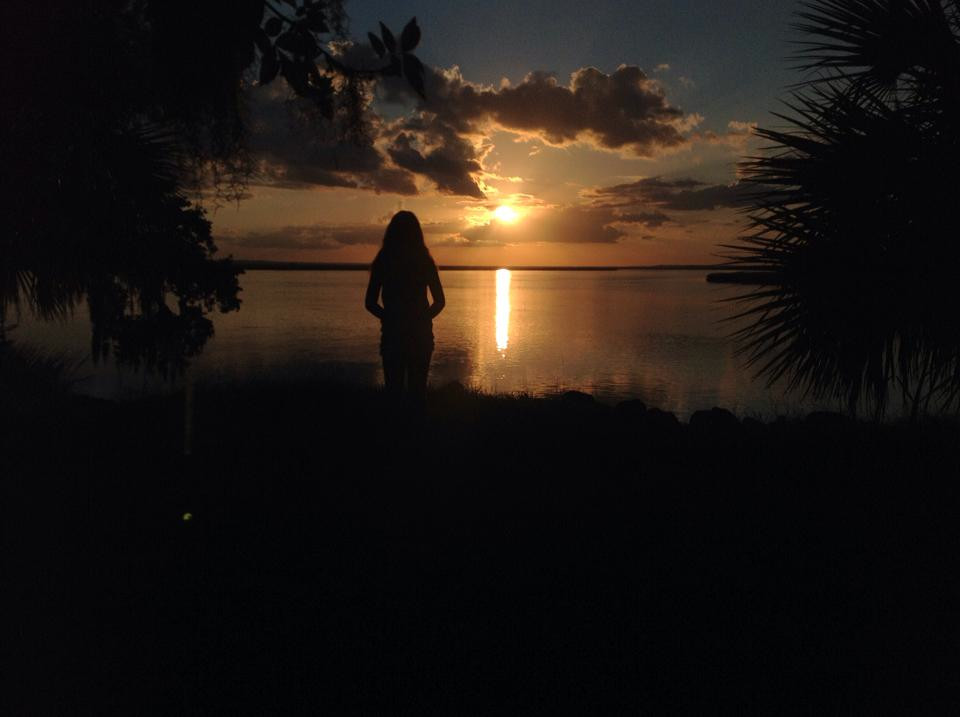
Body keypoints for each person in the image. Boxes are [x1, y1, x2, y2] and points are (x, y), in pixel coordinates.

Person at [364, 211, 445, 408]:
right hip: (419, 334)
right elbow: (440, 301)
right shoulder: (424, 260)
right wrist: (424, 319)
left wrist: (388, 318)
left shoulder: (384, 259)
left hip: (394, 334)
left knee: (394, 393)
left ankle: (397, 433)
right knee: (417, 394)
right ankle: (415, 432)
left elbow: (370, 302)